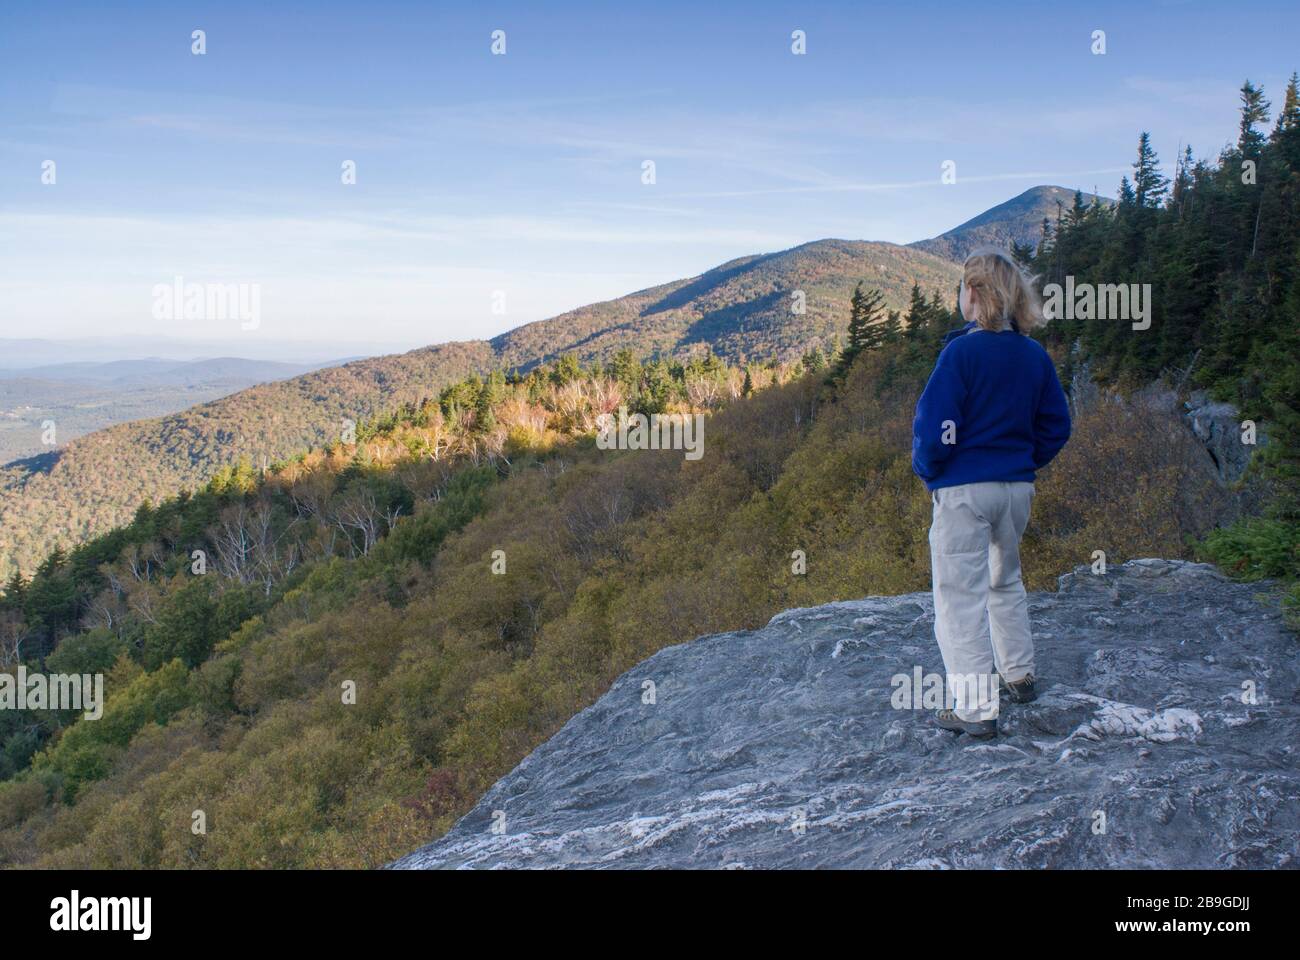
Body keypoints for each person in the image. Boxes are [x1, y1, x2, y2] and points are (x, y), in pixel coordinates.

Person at [911, 248, 1072, 738]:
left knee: (959, 598)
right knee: (1005, 581)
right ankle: (1019, 675)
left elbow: (935, 428)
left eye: (963, 286)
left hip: (964, 490)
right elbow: (1056, 426)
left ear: (975, 294)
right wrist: (1022, 463)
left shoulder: (960, 352)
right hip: (1015, 490)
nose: (960, 295)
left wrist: (930, 470)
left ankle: (976, 709)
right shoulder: (1032, 354)